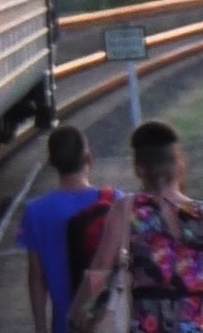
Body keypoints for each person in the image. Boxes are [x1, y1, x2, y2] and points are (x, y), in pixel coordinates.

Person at [82, 120, 203, 331]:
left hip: (149, 324)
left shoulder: (127, 209)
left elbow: (101, 267)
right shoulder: (200, 213)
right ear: (179, 165)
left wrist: (78, 310)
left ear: (139, 170)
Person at [18, 125, 108, 333]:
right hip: (109, 321)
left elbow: (36, 277)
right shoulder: (115, 202)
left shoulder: (35, 211)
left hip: (65, 324)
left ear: (51, 162)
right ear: (89, 158)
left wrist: (40, 327)